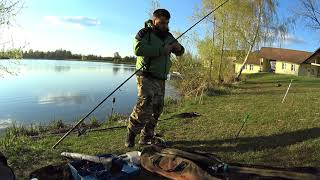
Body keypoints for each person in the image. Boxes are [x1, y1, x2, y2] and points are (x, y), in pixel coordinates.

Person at [126, 9, 185, 147]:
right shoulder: (144, 33)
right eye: (161, 22)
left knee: (157, 109)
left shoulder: (169, 36)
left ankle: (146, 137)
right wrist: (161, 50)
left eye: (167, 23)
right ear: (154, 20)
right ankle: (131, 134)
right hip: (146, 75)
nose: (164, 25)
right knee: (144, 106)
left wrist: (178, 48)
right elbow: (137, 49)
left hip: (161, 77)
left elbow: (181, 52)